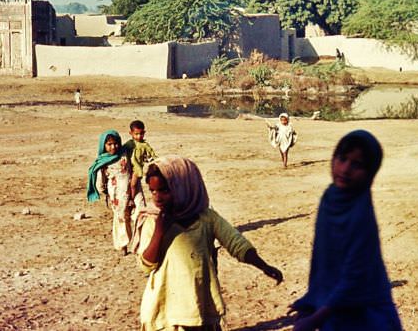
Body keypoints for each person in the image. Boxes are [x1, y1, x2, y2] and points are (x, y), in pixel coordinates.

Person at [134, 156, 283, 331]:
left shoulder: (207, 218)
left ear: (185, 187)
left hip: (199, 303)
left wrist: (264, 266)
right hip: (167, 307)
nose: (157, 198)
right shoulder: (152, 220)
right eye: (152, 191)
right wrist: (160, 230)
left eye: (164, 190)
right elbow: (145, 266)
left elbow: (236, 243)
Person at [290, 130, 402, 331]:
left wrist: (316, 318)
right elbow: (321, 260)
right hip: (333, 308)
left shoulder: (360, 213)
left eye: (357, 164)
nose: (345, 169)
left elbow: (355, 276)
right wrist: (311, 300)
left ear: (371, 172)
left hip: (366, 314)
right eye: (342, 158)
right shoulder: (330, 198)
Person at [87, 130, 137, 254]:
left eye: (115, 143)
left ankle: (138, 244)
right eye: (109, 144)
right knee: (121, 218)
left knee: (136, 215)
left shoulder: (124, 153)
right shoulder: (103, 161)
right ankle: (123, 245)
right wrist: (107, 193)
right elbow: (100, 183)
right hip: (116, 194)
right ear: (103, 145)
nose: (113, 147)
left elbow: (135, 143)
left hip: (131, 190)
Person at [123, 120, 156, 209]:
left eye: (141, 134)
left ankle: (131, 200)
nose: (139, 136)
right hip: (128, 167)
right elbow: (122, 151)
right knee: (127, 184)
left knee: (133, 184)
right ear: (131, 133)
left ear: (144, 133)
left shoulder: (145, 145)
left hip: (137, 169)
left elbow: (152, 155)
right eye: (136, 134)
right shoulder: (129, 144)